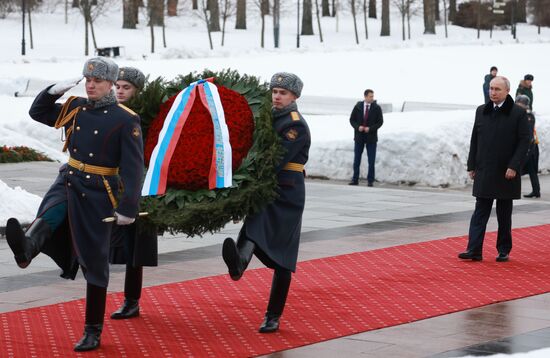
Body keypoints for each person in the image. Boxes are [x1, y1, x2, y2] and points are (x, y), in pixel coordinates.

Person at [5, 57, 144, 351]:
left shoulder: (125, 118)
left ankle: (92, 330)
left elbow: (133, 168)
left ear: (109, 84)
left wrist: (128, 208)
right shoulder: (76, 107)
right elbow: (38, 112)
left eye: (97, 81)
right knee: (51, 213)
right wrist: (53, 90)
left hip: (99, 191)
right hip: (69, 179)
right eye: (88, 80)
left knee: (94, 262)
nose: (91, 85)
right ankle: (27, 248)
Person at [221, 72, 310, 333]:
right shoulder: (268, 117)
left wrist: (245, 178)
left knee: (283, 257)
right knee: (254, 226)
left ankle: (273, 315)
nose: (277, 96)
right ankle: (238, 263)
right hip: (266, 187)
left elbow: (276, 160)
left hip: (286, 192)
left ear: (294, 96)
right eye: (274, 92)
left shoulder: (295, 124)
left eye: (283, 93)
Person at [458, 76, 530, 263]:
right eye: (491, 88)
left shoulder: (518, 113)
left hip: (506, 172)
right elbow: (475, 139)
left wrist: (514, 166)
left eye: (497, 89)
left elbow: (524, 142)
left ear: (507, 91)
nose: (493, 92)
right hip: (485, 170)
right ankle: (474, 249)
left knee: (503, 213)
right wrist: (472, 165)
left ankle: (503, 249)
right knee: (480, 211)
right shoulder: (481, 111)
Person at [110, 66, 157, 320]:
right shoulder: (111, 112)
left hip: (136, 187)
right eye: (117, 86)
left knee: (134, 248)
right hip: (109, 184)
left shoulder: (143, 117)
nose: (119, 91)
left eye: (126, 87)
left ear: (138, 91)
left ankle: (131, 300)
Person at [348, 89, 383, 186]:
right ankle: (355, 179)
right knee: (357, 160)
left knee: (371, 160)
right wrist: (357, 127)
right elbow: (352, 120)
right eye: (370, 96)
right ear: (365, 96)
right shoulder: (358, 106)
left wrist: (370, 129)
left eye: (373, 96)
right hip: (359, 137)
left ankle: (370, 181)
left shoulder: (377, 108)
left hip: (371, 138)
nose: (372, 98)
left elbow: (380, 122)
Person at [516, 95, 540, 198]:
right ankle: (536, 191)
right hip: (528, 146)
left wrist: (527, 150)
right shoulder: (521, 115)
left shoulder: (528, 116)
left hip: (530, 147)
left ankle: (535, 191)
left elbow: (529, 135)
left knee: (526, 170)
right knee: (529, 170)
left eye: (520, 104)